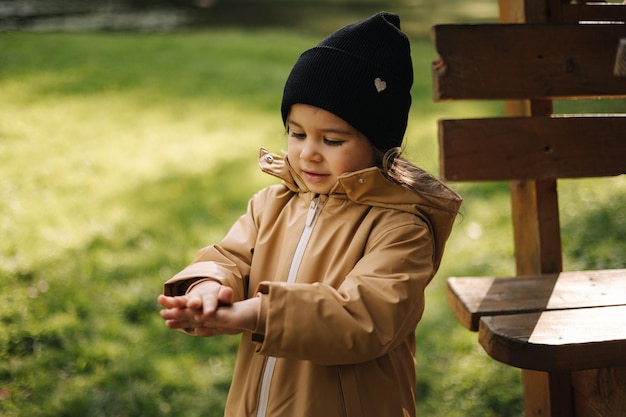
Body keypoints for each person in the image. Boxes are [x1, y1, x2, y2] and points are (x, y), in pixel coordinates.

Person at [158, 11, 462, 417]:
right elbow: (229, 257)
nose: (307, 152)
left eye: (332, 139)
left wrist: (257, 313)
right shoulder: (271, 204)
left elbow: (363, 317)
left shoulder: (401, 227)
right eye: (296, 133)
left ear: (378, 144)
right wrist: (206, 288)